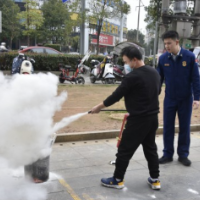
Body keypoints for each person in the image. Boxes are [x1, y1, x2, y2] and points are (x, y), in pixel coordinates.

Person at [90, 46, 161, 190]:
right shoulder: (154, 72)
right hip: (152, 118)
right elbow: (156, 91)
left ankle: (117, 180)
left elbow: (117, 95)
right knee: (150, 149)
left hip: (138, 121)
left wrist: (99, 106)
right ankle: (155, 180)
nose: (126, 65)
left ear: (134, 60)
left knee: (124, 150)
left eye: (127, 62)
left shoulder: (132, 76)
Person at [157, 30, 200, 167]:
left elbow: (195, 78)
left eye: (169, 43)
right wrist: (154, 95)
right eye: (165, 44)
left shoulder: (189, 57)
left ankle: (183, 154)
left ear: (177, 42)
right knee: (167, 126)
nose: (167, 46)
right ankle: (167, 154)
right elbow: (159, 79)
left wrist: (197, 97)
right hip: (169, 98)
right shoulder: (163, 59)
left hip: (185, 99)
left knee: (184, 127)